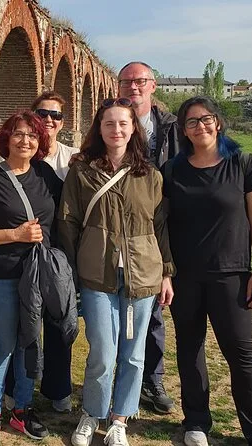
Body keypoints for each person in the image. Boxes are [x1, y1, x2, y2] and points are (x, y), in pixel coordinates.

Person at [58, 98, 174, 446]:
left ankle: (120, 418)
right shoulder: (82, 172)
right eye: (109, 123)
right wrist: (71, 270)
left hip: (143, 273)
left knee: (134, 354)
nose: (116, 130)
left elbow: (160, 227)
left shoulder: (150, 176)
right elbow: (67, 221)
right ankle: (92, 413)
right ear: (100, 128)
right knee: (103, 353)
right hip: (97, 273)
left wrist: (166, 273)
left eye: (123, 123)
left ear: (133, 128)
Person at [164, 96, 252, 446]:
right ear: (183, 130)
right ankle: (196, 422)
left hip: (232, 274)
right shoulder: (172, 170)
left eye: (206, 119)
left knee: (241, 354)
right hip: (185, 277)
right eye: (191, 122)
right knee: (189, 349)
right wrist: (166, 273)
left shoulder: (243, 163)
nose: (200, 126)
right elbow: (162, 225)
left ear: (218, 122)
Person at [0, 91, 78, 413]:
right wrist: (13, 234)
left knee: (29, 341)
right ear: (6, 138)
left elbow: (70, 208)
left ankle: (23, 407)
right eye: (18, 134)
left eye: (32, 135)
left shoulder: (46, 175)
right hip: (2, 273)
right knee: (4, 344)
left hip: (38, 275)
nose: (25, 141)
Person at [118, 61, 180, 414]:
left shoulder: (172, 127)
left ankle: (152, 379)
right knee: (116, 310)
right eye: (127, 81)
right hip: (120, 226)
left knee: (153, 308)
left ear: (153, 86)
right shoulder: (111, 122)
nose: (134, 87)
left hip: (160, 224)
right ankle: (120, 379)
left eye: (140, 81)